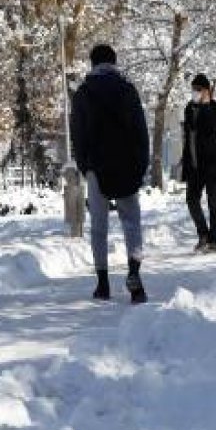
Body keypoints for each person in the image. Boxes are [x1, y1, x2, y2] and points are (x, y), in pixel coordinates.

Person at [69, 44, 149, 304]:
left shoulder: (82, 93)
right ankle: (134, 274)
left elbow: (77, 134)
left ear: (92, 64)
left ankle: (102, 283)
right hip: (126, 166)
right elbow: (140, 130)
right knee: (131, 223)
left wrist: (85, 165)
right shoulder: (127, 90)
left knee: (99, 228)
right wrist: (141, 164)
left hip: (96, 168)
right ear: (114, 62)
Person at [181, 73, 216, 253]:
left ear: (207, 91)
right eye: (193, 89)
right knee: (192, 201)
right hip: (194, 164)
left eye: (198, 90)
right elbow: (190, 132)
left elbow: (213, 127)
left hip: (213, 165)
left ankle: (215, 240)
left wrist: (206, 106)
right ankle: (203, 234)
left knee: (214, 204)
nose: (195, 93)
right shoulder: (189, 108)